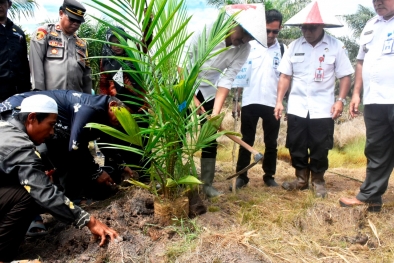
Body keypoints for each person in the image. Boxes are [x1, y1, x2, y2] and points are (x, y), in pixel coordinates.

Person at [0, 94, 118, 263]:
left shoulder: (5, 126)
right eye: (50, 125)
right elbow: (43, 193)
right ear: (32, 118)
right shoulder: (20, 146)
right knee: (30, 195)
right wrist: (89, 221)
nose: (52, 132)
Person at [182, 4, 267, 197]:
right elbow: (182, 68)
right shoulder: (205, 33)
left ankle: (206, 184)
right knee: (177, 131)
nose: (244, 40)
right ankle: (175, 178)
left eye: (249, 38)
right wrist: (191, 99)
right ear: (232, 22)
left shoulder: (244, 48)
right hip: (184, 84)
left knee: (210, 137)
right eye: (243, 34)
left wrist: (215, 113)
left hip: (209, 88)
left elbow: (227, 80)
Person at [273, 1, 354, 198]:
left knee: (320, 146)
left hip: (323, 108)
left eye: (312, 27)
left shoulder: (335, 46)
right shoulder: (294, 46)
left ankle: (318, 180)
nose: (307, 31)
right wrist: (279, 101)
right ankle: (301, 180)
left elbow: (345, 76)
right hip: (297, 107)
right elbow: (285, 76)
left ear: (322, 26)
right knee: (296, 144)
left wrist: (340, 100)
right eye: (304, 27)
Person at [0, 90, 137, 202]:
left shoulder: (101, 111)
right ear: (113, 105)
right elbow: (75, 147)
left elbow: (104, 140)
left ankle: (73, 198)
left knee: (65, 153)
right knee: (32, 160)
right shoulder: (89, 109)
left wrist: (120, 164)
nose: (124, 122)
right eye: (123, 116)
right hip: (17, 110)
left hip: (34, 116)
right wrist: (97, 172)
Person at [339, 0, 394, 211]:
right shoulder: (371, 25)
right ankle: (370, 196)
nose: (378, 2)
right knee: (376, 150)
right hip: (375, 100)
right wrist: (356, 93)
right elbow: (361, 61)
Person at [232, 9, 285, 190]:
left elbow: (285, 79)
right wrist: (236, 101)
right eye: (267, 30)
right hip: (250, 100)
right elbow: (239, 73)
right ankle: (242, 175)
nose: (271, 35)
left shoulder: (283, 50)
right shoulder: (249, 46)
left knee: (271, 142)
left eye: (275, 31)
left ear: (280, 29)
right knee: (246, 140)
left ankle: (269, 176)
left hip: (272, 103)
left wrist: (282, 102)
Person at [99, 26, 152, 181]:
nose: (116, 45)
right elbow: (103, 84)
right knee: (120, 144)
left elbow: (145, 43)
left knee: (140, 144)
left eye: (119, 41)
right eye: (113, 42)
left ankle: (143, 177)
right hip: (119, 110)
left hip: (139, 108)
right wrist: (105, 106)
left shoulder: (134, 53)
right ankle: (123, 177)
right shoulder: (105, 60)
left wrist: (148, 24)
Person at [29, 0, 92, 93]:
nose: (75, 23)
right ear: (61, 13)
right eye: (72, 19)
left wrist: (88, 100)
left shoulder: (81, 44)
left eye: (78, 21)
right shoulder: (45, 33)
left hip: (75, 100)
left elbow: (86, 76)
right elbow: (36, 66)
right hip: (49, 98)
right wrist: (39, 93)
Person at [0, 0, 31, 101]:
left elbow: (24, 63)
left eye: (1, 2)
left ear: (9, 4)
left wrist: (27, 90)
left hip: (17, 92)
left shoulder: (18, 32)